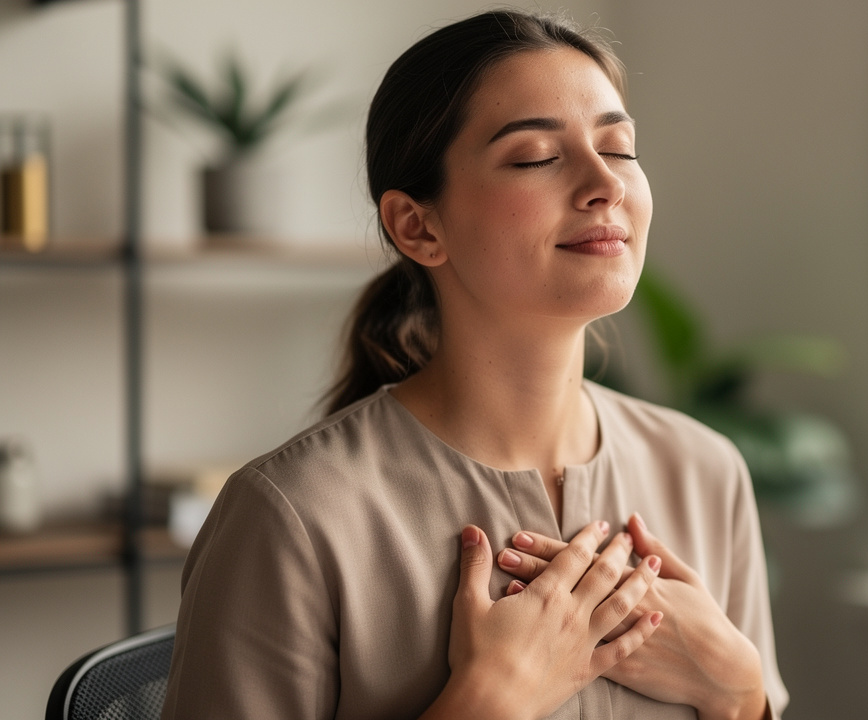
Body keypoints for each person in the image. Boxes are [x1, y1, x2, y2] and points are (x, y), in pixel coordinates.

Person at [162, 10, 787, 720]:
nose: (604, 185)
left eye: (618, 149)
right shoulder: (292, 519)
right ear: (417, 226)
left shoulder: (706, 472)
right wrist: (486, 702)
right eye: (535, 158)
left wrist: (739, 691)